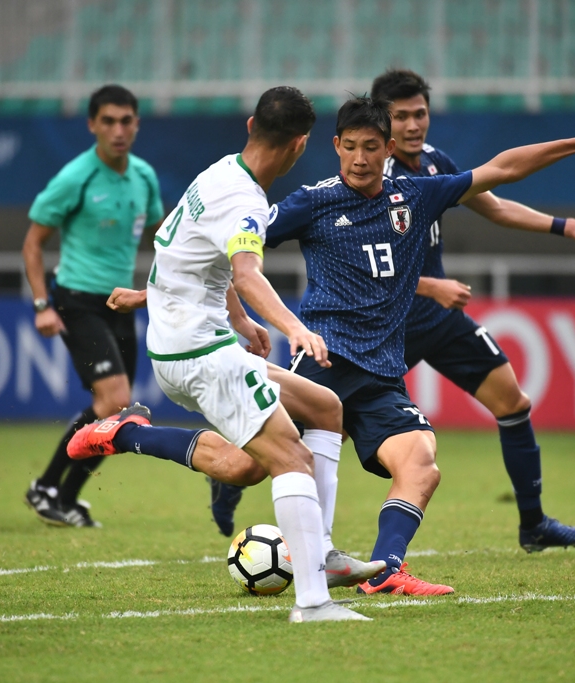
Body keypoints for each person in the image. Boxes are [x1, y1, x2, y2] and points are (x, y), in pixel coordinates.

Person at [264, 97, 575, 595]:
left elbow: (502, 169)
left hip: (379, 376)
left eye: (371, 148)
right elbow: (235, 246)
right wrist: (199, 305)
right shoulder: (312, 202)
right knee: (248, 462)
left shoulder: (416, 195)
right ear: (335, 146)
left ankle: (385, 571)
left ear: (388, 148)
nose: (359, 158)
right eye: (350, 147)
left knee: (421, 462)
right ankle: (146, 442)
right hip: (323, 361)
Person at [68, 86, 385, 622]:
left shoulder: (218, 173)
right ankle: (312, 602)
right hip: (201, 353)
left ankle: (322, 554)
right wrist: (291, 327)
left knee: (321, 411)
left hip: (186, 343)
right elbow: (245, 271)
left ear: (250, 125)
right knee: (292, 460)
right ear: (301, 144)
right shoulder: (247, 202)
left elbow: (181, 250)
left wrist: (236, 318)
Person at [371, 69, 575, 553]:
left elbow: (496, 207)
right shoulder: (375, 180)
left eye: (420, 113)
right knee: (324, 422)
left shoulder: (436, 164)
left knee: (513, 403)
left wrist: (565, 227)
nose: (414, 125)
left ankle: (534, 524)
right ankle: (239, 466)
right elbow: (369, 266)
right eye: (401, 117)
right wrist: (432, 285)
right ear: (383, 123)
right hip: (388, 325)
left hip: (438, 319)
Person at [21, 85, 165, 528]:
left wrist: (160, 288)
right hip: (76, 299)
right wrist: (43, 304)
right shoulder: (75, 177)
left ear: (137, 124)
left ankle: (63, 497)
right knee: (116, 399)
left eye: (126, 121)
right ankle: (46, 486)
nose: (118, 130)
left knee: (117, 410)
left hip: (119, 305)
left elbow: (165, 238)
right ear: (92, 125)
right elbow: (32, 244)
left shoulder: (143, 177)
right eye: (109, 121)